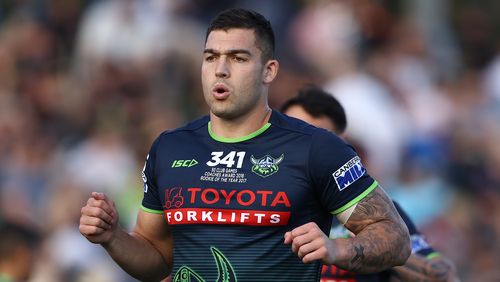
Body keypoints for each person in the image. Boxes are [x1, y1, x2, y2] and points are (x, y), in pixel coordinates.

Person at [79, 8, 411, 282]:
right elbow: (157, 257)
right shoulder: (169, 148)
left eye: (238, 58)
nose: (220, 70)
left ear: (269, 71)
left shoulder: (317, 148)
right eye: (211, 58)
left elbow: (395, 238)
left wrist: (337, 249)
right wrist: (113, 237)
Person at [282, 85, 459, 281]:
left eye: (315, 142)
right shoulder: (261, 208)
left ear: (339, 145)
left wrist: (368, 245)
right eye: (290, 137)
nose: (301, 150)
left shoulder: (378, 216)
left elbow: (444, 277)